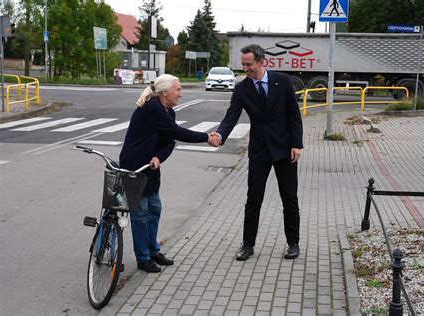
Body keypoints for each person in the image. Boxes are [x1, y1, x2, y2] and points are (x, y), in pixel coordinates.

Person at [209, 44, 303, 260]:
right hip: (260, 150)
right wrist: (220, 135)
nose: (245, 69)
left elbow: (294, 116)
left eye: (248, 64)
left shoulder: (283, 81)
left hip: (285, 149)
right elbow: (231, 116)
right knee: (253, 199)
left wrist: (296, 144)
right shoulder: (242, 89)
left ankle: (293, 243)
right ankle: (248, 245)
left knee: (289, 198)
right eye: (243, 65)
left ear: (262, 62)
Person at [119, 74, 219, 273]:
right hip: (135, 166)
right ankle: (143, 258)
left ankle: (153, 250)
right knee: (141, 214)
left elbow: (169, 141)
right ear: (165, 93)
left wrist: (158, 157)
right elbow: (178, 133)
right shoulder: (152, 108)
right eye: (178, 89)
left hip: (151, 167)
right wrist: (207, 137)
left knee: (154, 208)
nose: (181, 93)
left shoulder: (167, 112)